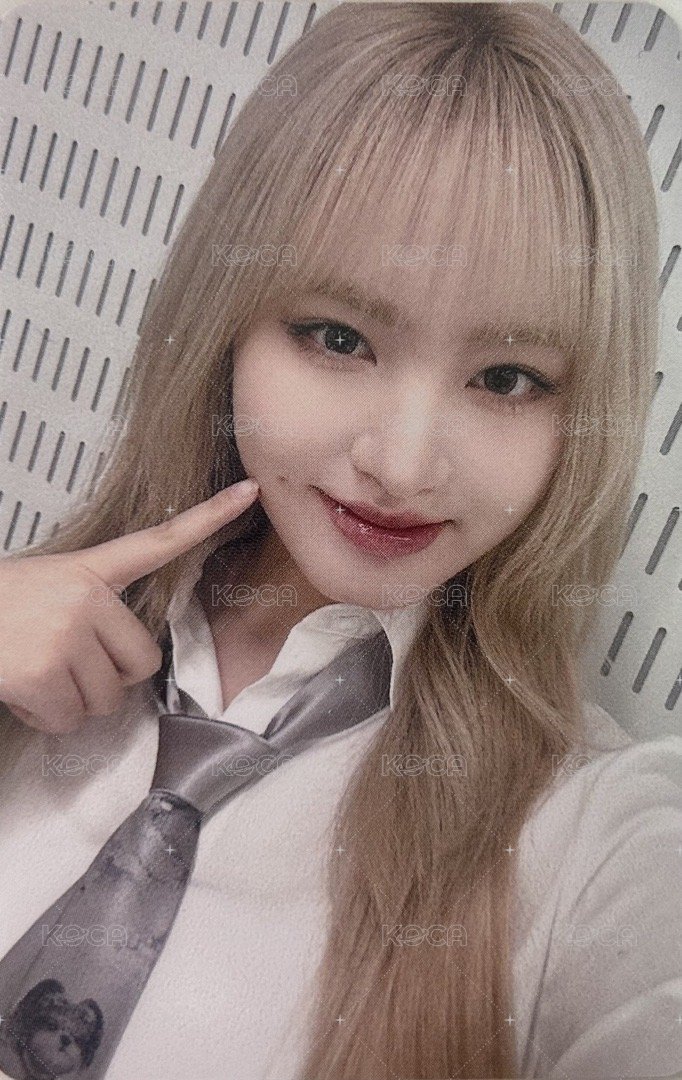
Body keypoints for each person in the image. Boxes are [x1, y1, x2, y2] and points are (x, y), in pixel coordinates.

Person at [0, 3, 680, 1077]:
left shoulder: (591, 839)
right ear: (224, 320)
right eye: (338, 336)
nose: (402, 465)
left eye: (506, 378)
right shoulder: (29, 641)